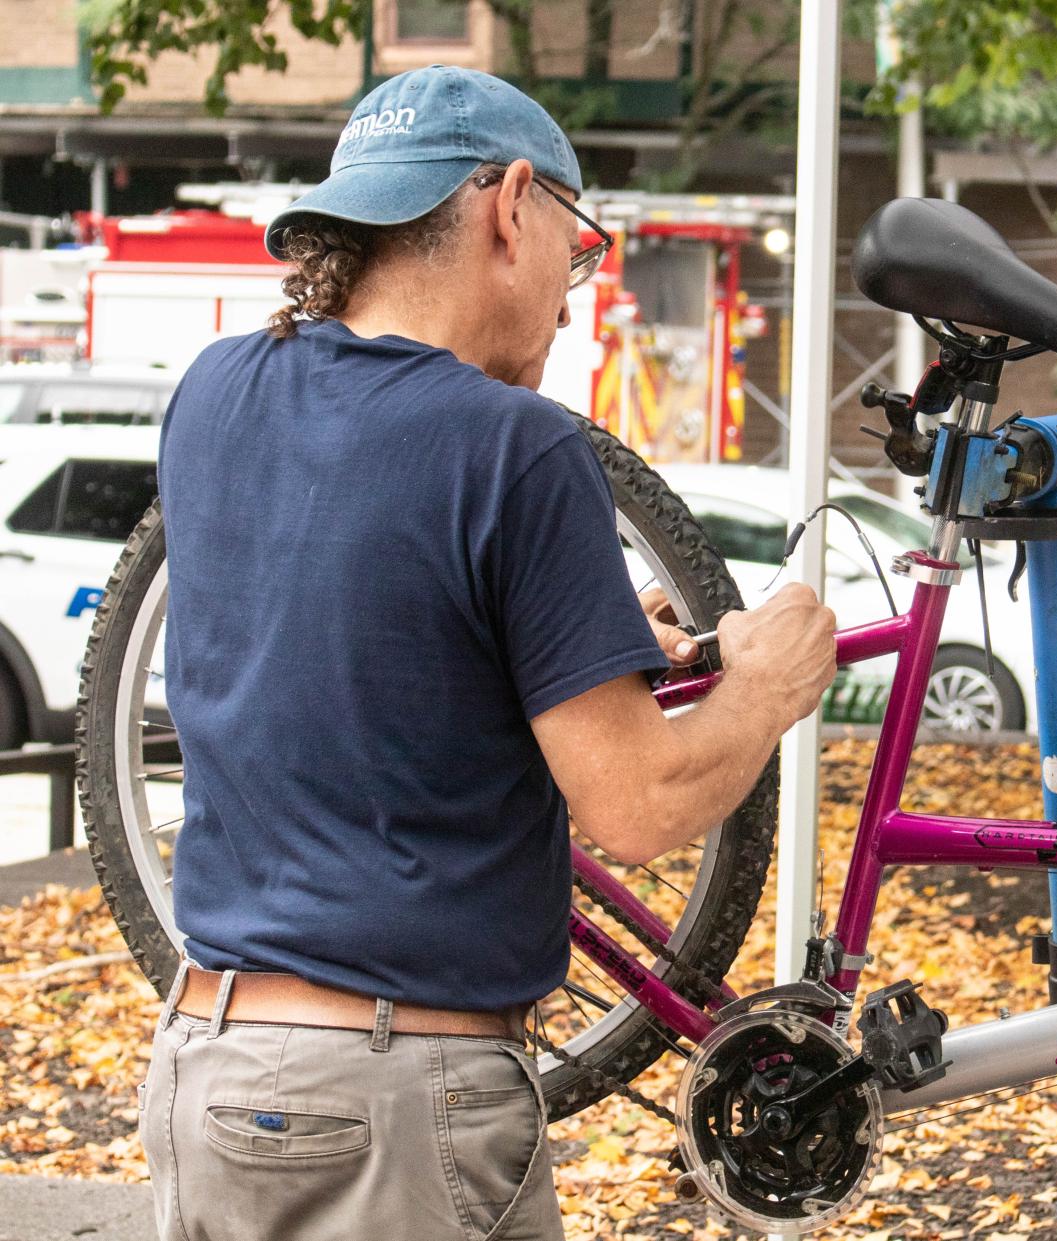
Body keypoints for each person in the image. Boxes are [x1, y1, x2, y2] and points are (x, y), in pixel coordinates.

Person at [137, 65, 836, 1241]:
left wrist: (574, 642)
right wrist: (766, 687)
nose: (571, 307)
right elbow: (638, 801)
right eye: (577, 255)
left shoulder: (216, 394)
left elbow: (353, 632)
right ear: (512, 205)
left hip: (208, 1066)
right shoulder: (520, 448)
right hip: (395, 1101)